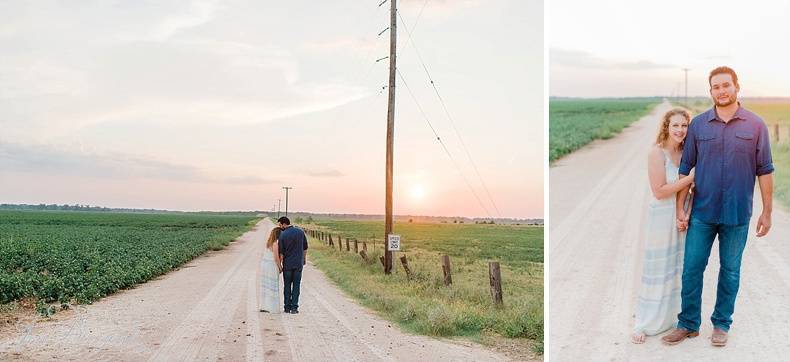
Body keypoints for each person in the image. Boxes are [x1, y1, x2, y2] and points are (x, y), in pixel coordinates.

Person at [662, 66, 774, 347]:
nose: (722, 91)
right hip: (702, 211)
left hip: (737, 213)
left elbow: (765, 170)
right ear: (710, 91)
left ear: (737, 86)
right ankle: (688, 323)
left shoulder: (756, 125)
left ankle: (721, 324)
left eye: (726, 85)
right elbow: (686, 170)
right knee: (691, 269)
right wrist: (681, 209)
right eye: (716, 87)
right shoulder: (698, 125)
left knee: (730, 270)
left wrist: (767, 211)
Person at [631, 108, 695, 344]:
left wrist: (685, 213)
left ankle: (673, 318)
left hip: (683, 214)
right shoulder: (656, 153)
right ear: (666, 127)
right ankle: (645, 321)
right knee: (657, 269)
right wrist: (690, 178)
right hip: (661, 216)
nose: (680, 130)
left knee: (678, 267)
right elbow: (659, 191)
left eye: (684, 125)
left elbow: (691, 191)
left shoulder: (688, 152)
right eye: (675, 125)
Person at [277, 216, 308, 314]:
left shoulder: (282, 235)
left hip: (288, 265)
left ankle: (287, 307)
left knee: (287, 286)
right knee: (296, 286)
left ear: (283, 223)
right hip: (298, 263)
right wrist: (304, 259)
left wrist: (280, 265)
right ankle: (294, 308)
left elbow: (281, 253)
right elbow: (305, 248)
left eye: (280, 224)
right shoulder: (300, 232)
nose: (280, 226)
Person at [260, 226, 282, 313]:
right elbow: (276, 258)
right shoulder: (275, 243)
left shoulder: (269, 243)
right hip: (271, 265)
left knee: (266, 285)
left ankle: (265, 305)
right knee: (273, 285)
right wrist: (280, 267)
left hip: (265, 264)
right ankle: (272, 307)